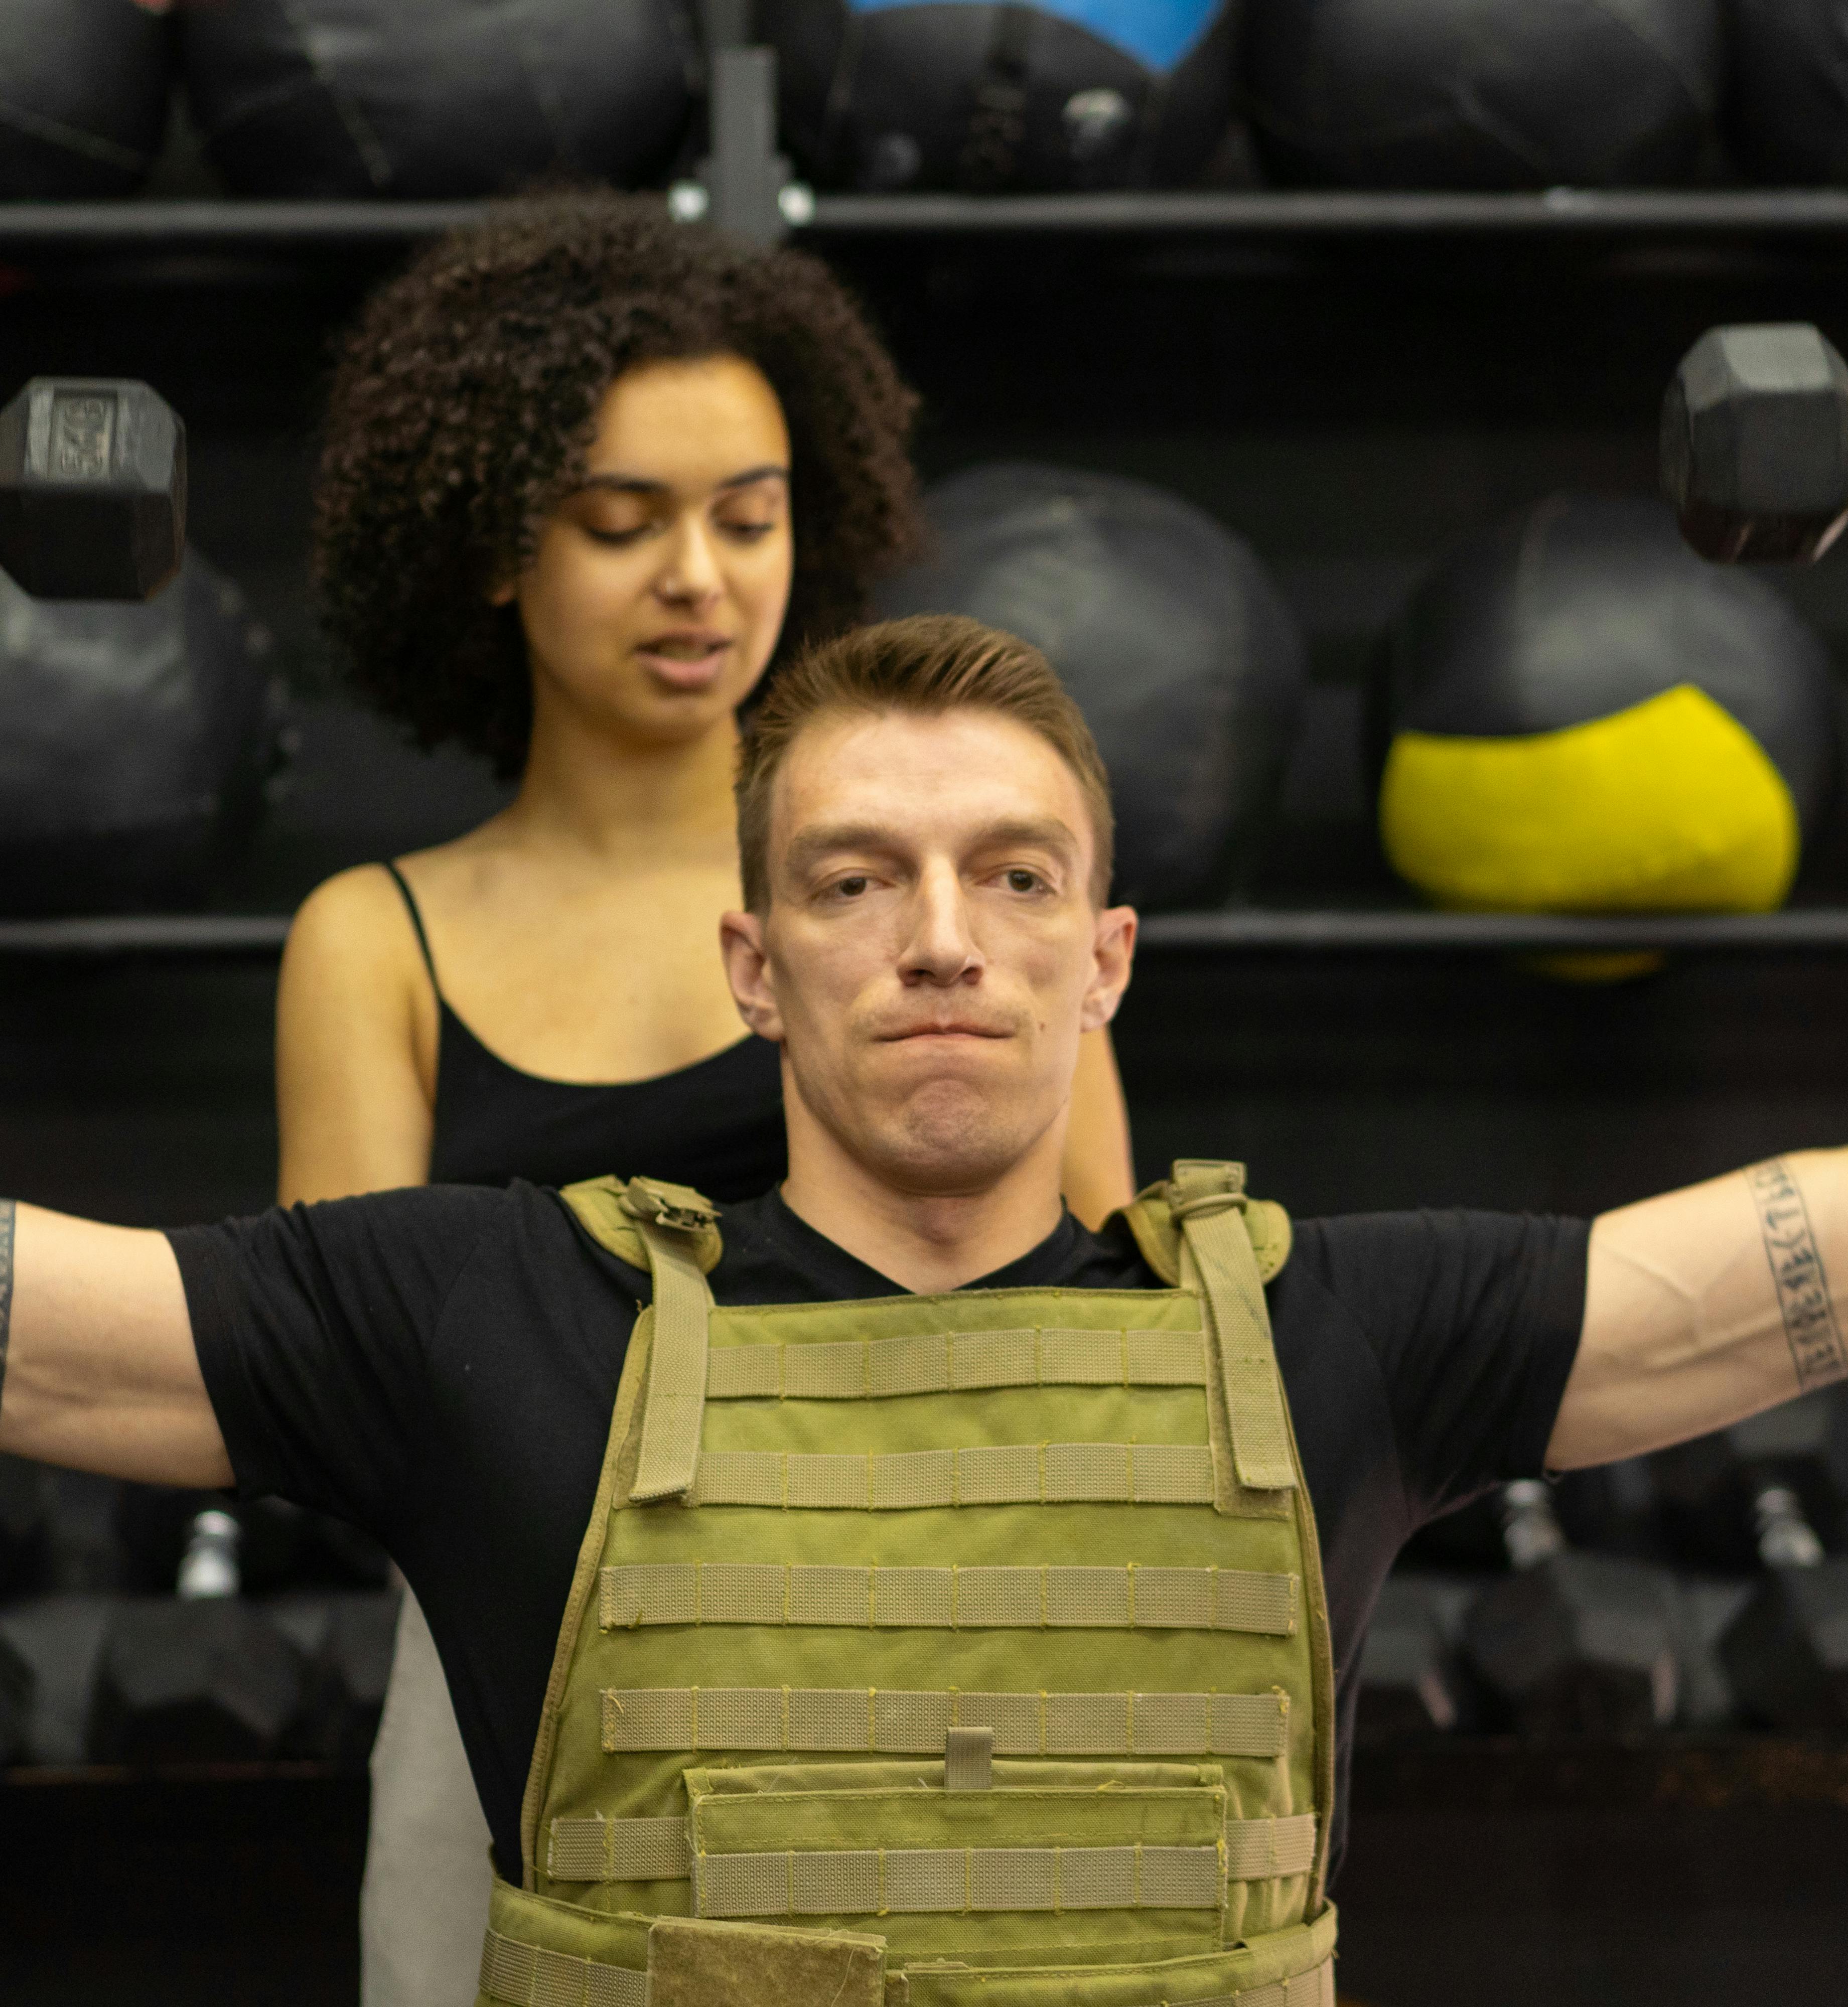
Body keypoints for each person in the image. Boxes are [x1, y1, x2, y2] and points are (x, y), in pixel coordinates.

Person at [0, 329, 1848, 2004]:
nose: (942, 940)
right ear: (755, 967)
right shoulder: (487, 1324)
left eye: (1014, 877)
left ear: (1109, 957)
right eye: (856, 880)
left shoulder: (1333, 1333)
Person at [276, 198, 1137, 2000]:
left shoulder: (949, 906)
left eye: (750, 517)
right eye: (622, 522)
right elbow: (349, 1392)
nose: (701, 577)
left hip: (949, 1629)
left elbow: (1097, 1306)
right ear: (499, 547)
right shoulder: (379, 943)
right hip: (529, 1680)